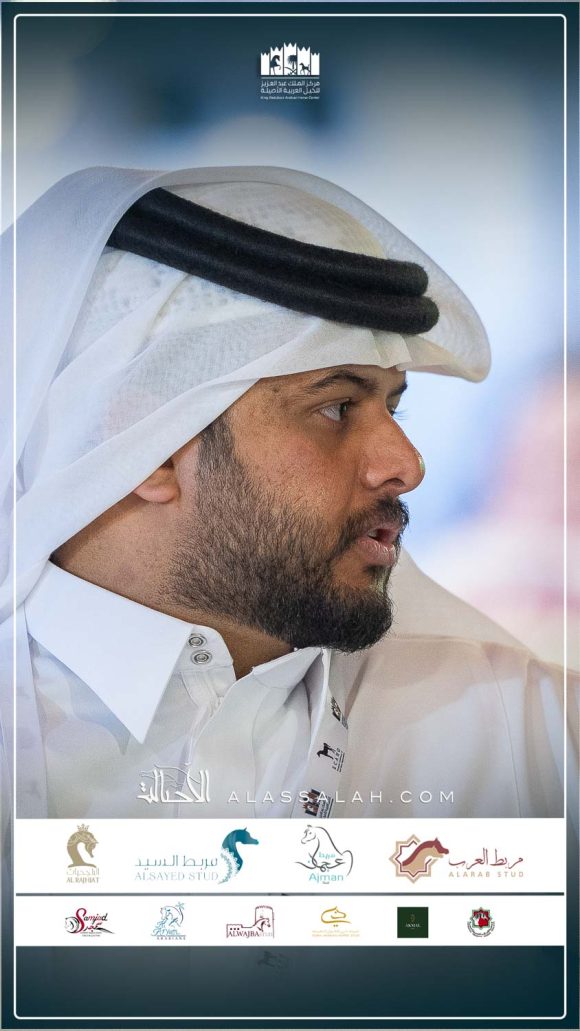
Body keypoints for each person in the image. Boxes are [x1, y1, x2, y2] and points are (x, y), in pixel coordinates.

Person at [0, 165, 571, 820]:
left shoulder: (531, 737)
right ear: (148, 448)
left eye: (394, 408)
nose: (407, 466)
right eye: (336, 407)